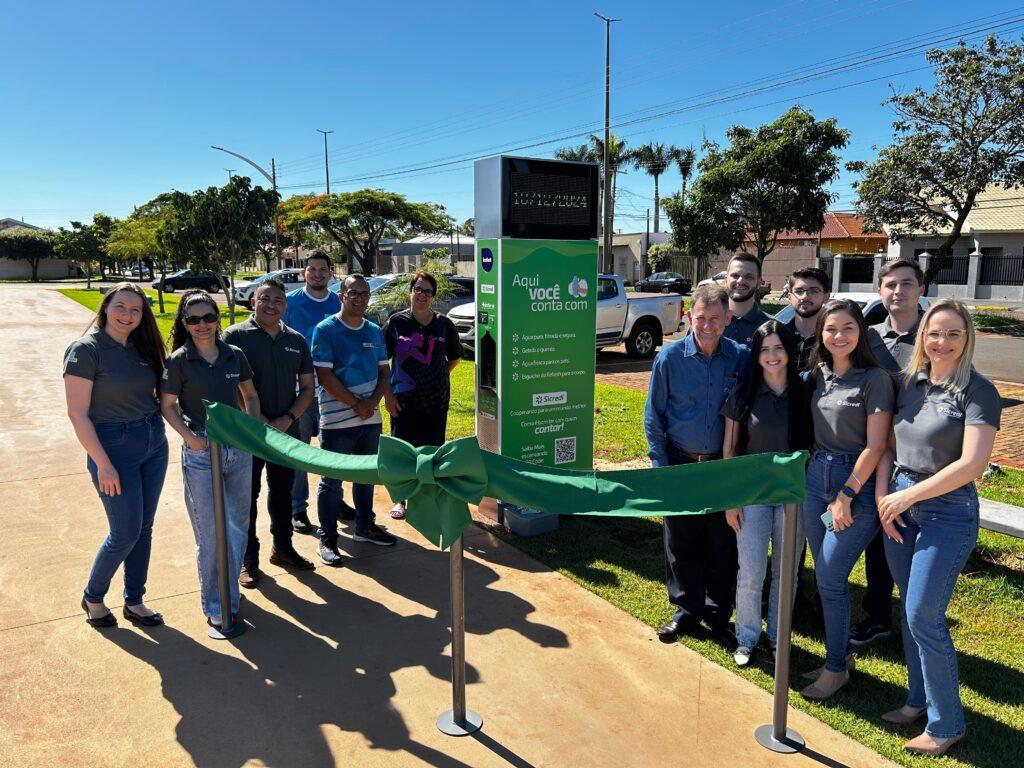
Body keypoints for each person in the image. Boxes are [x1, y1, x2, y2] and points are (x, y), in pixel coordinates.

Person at [875, 299, 1000, 757]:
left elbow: (972, 464)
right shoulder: (910, 384)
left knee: (924, 614)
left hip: (946, 511)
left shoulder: (978, 391)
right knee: (909, 612)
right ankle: (917, 700)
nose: (941, 342)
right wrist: (886, 499)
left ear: (966, 338)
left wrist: (907, 497)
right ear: (922, 337)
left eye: (952, 334)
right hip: (901, 504)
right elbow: (888, 444)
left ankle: (946, 723)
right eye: (934, 333)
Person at [800, 298, 894, 699]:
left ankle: (835, 668)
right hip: (813, 477)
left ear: (862, 333)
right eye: (831, 329)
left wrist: (845, 496)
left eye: (848, 328)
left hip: (852, 482)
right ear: (821, 333)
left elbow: (875, 447)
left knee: (831, 577)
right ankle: (839, 657)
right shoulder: (817, 375)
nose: (839, 336)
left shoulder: (875, 379)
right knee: (826, 581)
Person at [645, 283, 749, 642]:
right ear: (690, 316)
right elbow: (653, 416)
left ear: (728, 318)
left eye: (715, 319)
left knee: (723, 542)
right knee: (682, 541)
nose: (707, 325)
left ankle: (719, 611)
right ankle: (687, 610)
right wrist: (660, 468)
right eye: (701, 318)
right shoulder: (669, 358)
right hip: (680, 462)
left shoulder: (740, 357)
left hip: (721, 466)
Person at [64, 283, 169, 628]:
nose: (128, 315)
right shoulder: (85, 350)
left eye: (136, 310)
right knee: (125, 531)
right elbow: (77, 414)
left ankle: (135, 600)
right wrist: (103, 463)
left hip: (153, 441)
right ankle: (93, 596)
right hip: (113, 448)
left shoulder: (143, 347)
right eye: (121, 307)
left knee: (145, 527)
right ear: (106, 307)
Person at [159, 290, 261, 629]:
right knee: (209, 532)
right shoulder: (178, 361)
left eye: (208, 317)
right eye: (194, 319)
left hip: (237, 447)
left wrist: (250, 429)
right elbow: (168, 405)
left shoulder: (235, 355)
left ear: (218, 319)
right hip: (202, 451)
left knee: (237, 524)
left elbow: (249, 395)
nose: (202, 325)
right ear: (185, 324)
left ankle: (228, 587)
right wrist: (192, 439)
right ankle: (217, 605)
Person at [721, 320, 810, 666]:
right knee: (751, 570)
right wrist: (732, 499)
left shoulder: (805, 391)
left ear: (789, 352)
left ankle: (777, 638)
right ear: (756, 356)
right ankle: (746, 637)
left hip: (792, 496)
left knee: (786, 574)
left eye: (778, 348)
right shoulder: (743, 392)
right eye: (765, 350)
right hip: (752, 496)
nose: (772, 356)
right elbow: (729, 449)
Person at [223, 277, 317, 587]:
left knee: (283, 492)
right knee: (245, 497)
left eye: (278, 300)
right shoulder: (235, 336)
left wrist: (287, 418)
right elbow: (228, 385)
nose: (272, 305)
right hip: (246, 434)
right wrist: (259, 420)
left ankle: (284, 548)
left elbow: (307, 388)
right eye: (265, 299)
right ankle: (247, 559)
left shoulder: (297, 340)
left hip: (286, 433)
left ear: (285, 306)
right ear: (253, 302)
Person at [853, 258, 926, 646]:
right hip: (876, 452)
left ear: (921, 289)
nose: (898, 291)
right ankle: (878, 614)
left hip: (921, 460)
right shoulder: (869, 338)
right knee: (879, 538)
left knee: (917, 544)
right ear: (880, 291)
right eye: (891, 285)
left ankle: (920, 621)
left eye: (907, 284)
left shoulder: (934, 338)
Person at [312, 274, 399, 566]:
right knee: (331, 481)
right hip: (338, 422)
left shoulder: (374, 331)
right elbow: (324, 375)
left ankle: (365, 526)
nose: (360, 298)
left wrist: (371, 404)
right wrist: (357, 404)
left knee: (366, 476)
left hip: (369, 419)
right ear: (341, 296)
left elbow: (385, 372)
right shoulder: (326, 330)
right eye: (354, 293)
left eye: (365, 293)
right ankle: (328, 538)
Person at [382, 272, 462, 519]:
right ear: (410, 291)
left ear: (433, 296)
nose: (422, 295)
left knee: (432, 449)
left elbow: (455, 357)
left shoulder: (443, 324)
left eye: (427, 291)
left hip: (436, 400)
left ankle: (427, 497)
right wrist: (388, 396)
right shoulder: (396, 322)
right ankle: (401, 500)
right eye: (418, 289)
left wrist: (434, 376)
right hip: (404, 399)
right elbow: (381, 363)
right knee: (404, 451)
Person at [281, 251, 346, 534]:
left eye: (323, 270)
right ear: (304, 272)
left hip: (334, 390)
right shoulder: (290, 303)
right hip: (301, 391)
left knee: (336, 449)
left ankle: (337, 499)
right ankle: (298, 508)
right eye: (312, 269)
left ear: (331, 273)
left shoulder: (338, 302)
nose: (318, 274)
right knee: (301, 450)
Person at [785, 267, 831, 373]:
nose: (805, 296)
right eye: (799, 291)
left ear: (826, 297)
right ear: (790, 296)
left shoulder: (834, 339)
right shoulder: (779, 336)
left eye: (814, 291)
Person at [722, 253, 770, 348]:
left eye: (748, 277)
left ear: (759, 282)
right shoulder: (707, 323)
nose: (740, 281)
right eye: (735, 275)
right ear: (726, 280)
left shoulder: (771, 327)